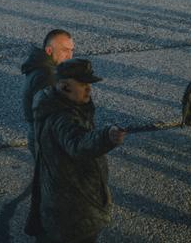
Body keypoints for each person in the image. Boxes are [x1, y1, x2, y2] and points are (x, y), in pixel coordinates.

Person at [26, 58, 125, 243]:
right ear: (64, 87)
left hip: (63, 210)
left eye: (89, 83)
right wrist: (106, 137)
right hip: (73, 215)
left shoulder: (57, 103)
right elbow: (78, 144)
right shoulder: (62, 117)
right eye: (82, 84)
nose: (89, 89)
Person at [21, 29, 74, 156]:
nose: (70, 56)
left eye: (72, 50)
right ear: (49, 51)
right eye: (65, 50)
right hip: (46, 139)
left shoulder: (40, 65)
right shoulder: (47, 76)